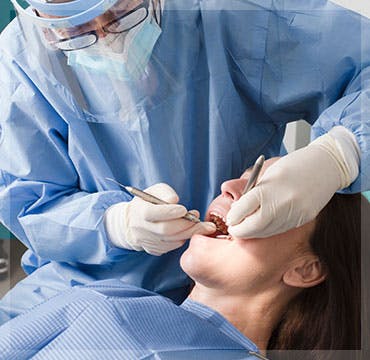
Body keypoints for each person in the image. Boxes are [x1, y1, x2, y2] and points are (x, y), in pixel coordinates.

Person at [0, 0, 369, 323]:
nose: (106, 38)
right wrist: (114, 225)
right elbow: (29, 200)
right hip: (79, 282)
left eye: (120, 16)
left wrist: (340, 154)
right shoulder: (21, 59)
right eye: (76, 33)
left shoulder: (233, 14)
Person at [0, 179, 366, 360]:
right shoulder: (106, 298)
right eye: (245, 176)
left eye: (267, 194)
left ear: (306, 269)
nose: (231, 187)